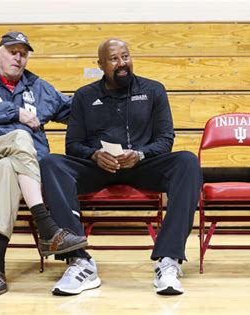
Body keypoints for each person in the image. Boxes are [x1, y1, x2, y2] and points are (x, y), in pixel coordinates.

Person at [39, 38, 203, 295]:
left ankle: (169, 260)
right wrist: (94, 155)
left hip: (141, 166)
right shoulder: (84, 95)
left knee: (187, 162)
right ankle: (78, 260)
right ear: (101, 65)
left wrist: (140, 153)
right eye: (114, 59)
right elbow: (73, 144)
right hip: (99, 168)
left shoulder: (153, 90)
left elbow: (165, 139)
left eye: (125, 56)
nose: (122, 63)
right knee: (51, 163)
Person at [0, 31, 87, 296]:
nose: (18, 57)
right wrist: (14, 113)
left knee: (8, 167)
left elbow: (75, 112)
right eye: (12, 51)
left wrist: (103, 102)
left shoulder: (38, 88)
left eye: (23, 53)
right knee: (20, 137)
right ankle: (46, 226)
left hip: (17, 171)